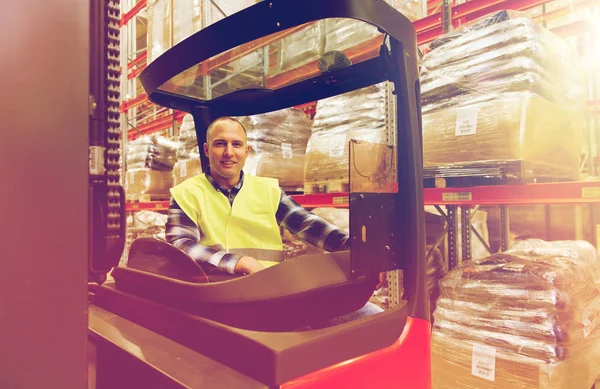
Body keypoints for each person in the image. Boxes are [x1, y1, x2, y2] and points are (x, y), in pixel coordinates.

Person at [166, 116, 384, 323]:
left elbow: (308, 224)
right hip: (218, 297)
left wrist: (363, 253)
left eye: (237, 145)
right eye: (220, 144)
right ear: (207, 150)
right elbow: (181, 245)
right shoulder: (187, 193)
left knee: (373, 318)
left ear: (246, 151)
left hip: (271, 292)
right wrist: (240, 263)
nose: (229, 152)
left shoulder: (267, 190)